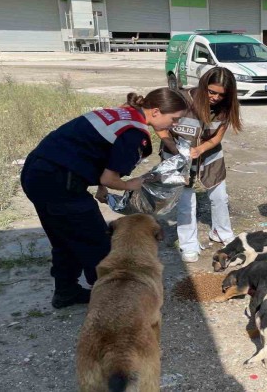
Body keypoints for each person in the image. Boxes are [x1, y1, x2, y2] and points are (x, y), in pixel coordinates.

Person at [21, 89, 188, 309]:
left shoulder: (124, 113)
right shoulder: (135, 134)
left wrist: (100, 187)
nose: (173, 125)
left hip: (37, 173)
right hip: (59, 182)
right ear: (156, 111)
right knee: (98, 243)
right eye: (173, 119)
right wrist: (131, 184)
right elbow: (111, 177)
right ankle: (112, 303)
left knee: (64, 237)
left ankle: (66, 291)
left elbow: (102, 151)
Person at [157, 67, 242, 263]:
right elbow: (159, 127)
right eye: (211, 92)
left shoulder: (226, 107)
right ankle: (188, 244)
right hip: (179, 159)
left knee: (220, 197)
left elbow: (217, 138)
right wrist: (174, 147)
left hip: (209, 156)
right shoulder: (179, 100)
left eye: (222, 94)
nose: (215, 98)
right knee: (186, 203)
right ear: (203, 85)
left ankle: (221, 232)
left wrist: (200, 149)